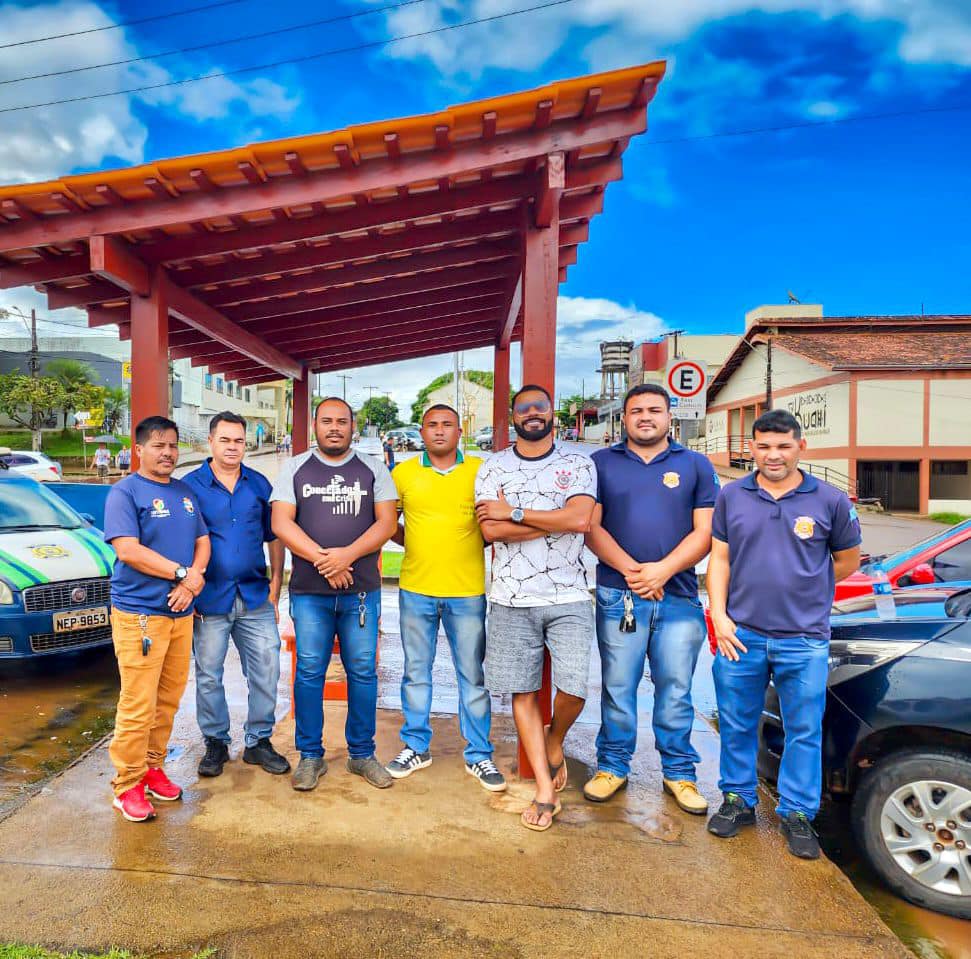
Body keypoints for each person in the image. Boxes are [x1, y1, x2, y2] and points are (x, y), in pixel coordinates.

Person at [706, 409, 861, 859]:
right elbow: (720, 559)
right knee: (737, 723)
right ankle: (738, 801)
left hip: (804, 638)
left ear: (800, 447)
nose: (773, 455)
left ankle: (796, 813)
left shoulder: (830, 500)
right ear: (751, 448)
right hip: (742, 634)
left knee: (803, 728)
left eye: (783, 446)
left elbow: (847, 561)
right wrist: (719, 615)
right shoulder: (732, 496)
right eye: (764, 446)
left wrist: (806, 590)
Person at [584, 384, 717, 812]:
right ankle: (612, 766)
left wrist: (662, 570)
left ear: (668, 416)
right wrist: (633, 571)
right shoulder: (600, 464)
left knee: (676, 691)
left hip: (678, 598)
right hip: (617, 596)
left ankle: (679, 775)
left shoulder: (695, 464)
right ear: (623, 418)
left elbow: (705, 532)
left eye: (654, 410)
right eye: (636, 410)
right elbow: (591, 528)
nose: (645, 417)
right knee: (618, 688)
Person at [474, 385, 597, 832]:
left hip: (570, 595)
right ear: (513, 416)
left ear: (552, 415)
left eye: (539, 407)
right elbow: (491, 532)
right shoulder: (493, 467)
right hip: (510, 597)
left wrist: (518, 514)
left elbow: (581, 520)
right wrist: (553, 519)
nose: (531, 414)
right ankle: (544, 790)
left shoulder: (578, 463)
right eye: (523, 408)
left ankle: (555, 738)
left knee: (576, 688)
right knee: (520, 693)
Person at [271, 397, 398, 792]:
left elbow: (388, 523)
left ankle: (361, 754)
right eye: (327, 421)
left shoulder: (373, 468)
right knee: (310, 672)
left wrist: (347, 557)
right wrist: (324, 560)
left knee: (363, 673)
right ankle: (311, 755)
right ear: (314, 425)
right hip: (310, 593)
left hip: (361, 594)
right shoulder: (294, 468)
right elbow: (280, 522)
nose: (334, 427)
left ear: (353, 426)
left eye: (342, 421)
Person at [385, 404, 504, 791]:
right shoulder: (402, 473)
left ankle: (479, 754)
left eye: (447, 425)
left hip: (467, 592)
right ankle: (416, 746)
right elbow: (390, 525)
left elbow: (492, 525)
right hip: (416, 589)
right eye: (432, 425)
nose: (439, 431)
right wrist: (416, 542)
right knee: (415, 672)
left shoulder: (479, 471)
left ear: (460, 431)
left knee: (472, 676)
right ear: (422, 432)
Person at [102, 416, 210, 822]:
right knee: (138, 703)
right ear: (139, 450)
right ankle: (127, 785)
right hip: (140, 616)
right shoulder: (124, 492)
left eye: (172, 445)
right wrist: (182, 574)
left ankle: (152, 766)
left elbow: (203, 540)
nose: (167, 453)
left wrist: (192, 582)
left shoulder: (183, 492)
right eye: (158, 445)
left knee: (167, 700)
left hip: (180, 612)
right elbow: (128, 550)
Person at [183, 412, 288, 780]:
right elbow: (179, 542)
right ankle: (216, 741)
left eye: (239, 441)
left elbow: (274, 537)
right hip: (208, 599)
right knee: (209, 674)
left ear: (247, 443)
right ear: (210, 442)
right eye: (225, 440)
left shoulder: (259, 484)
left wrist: (276, 587)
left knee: (266, 670)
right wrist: (186, 589)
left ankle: (258, 741)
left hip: (256, 596)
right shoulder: (189, 486)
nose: (232, 447)